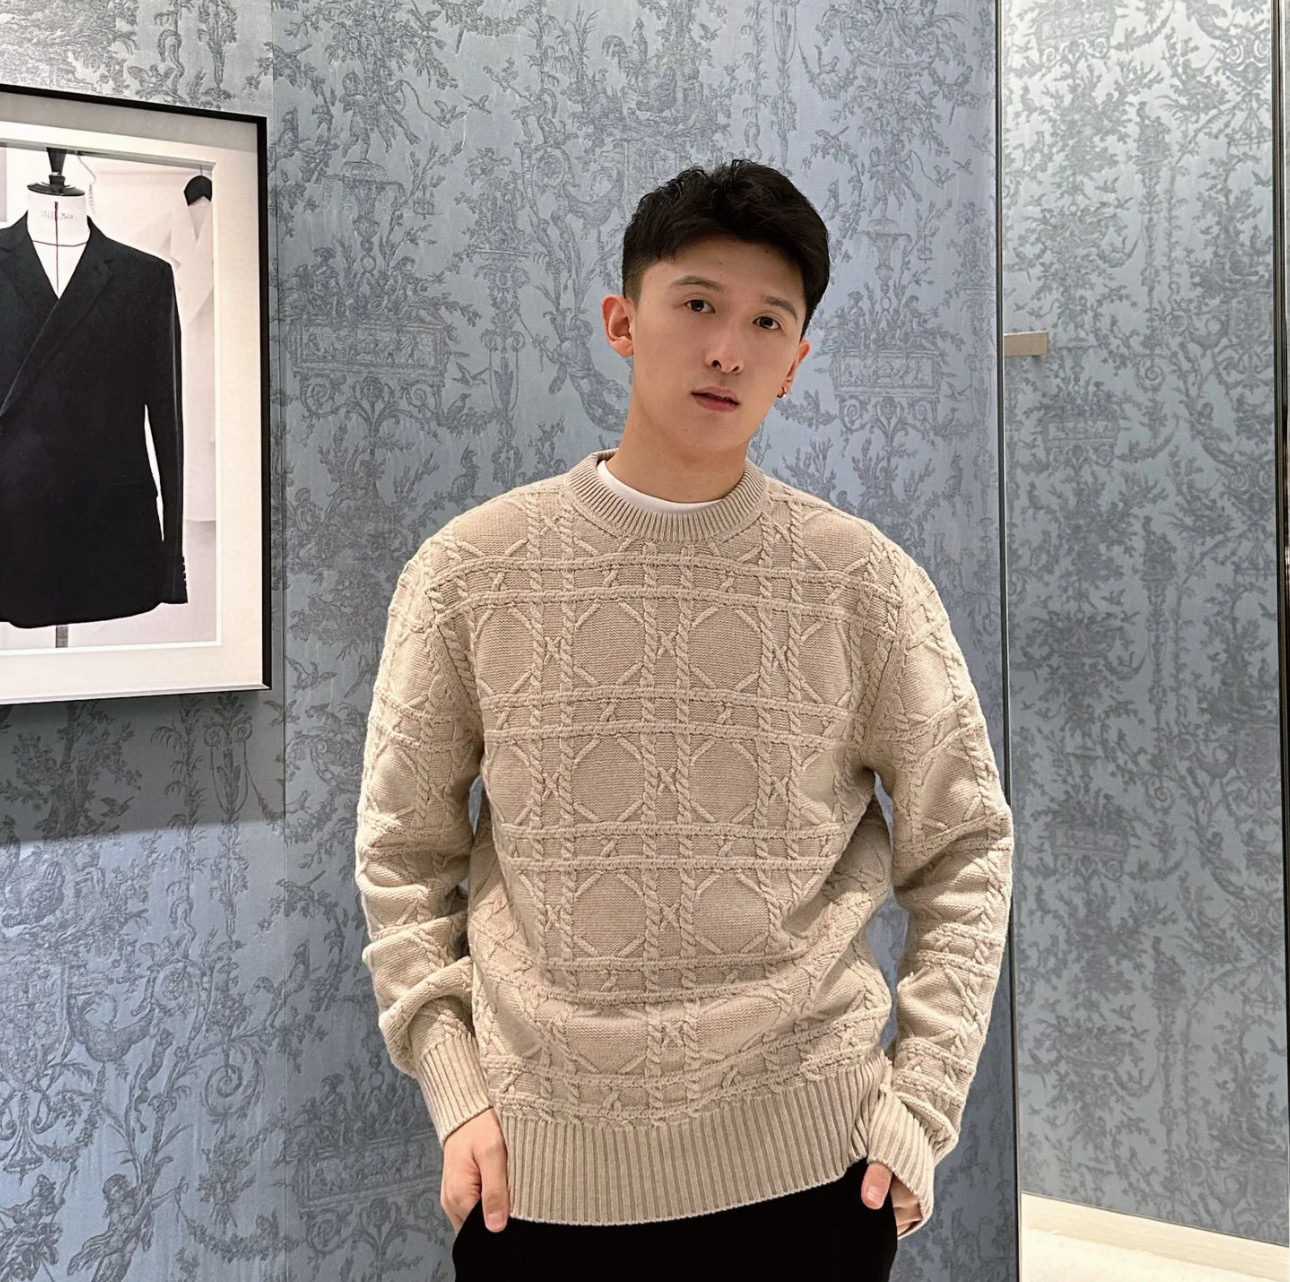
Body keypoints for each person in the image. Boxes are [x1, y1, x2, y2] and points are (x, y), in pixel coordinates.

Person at [354, 158, 1014, 1281]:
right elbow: (402, 857)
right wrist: (456, 1091)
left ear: (796, 364)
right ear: (623, 320)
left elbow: (967, 848)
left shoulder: (862, 581)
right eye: (698, 304)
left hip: (814, 1174)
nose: (728, 351)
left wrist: (923, 1102)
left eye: (768, 322)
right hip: (536, 1182)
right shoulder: (468, 572)